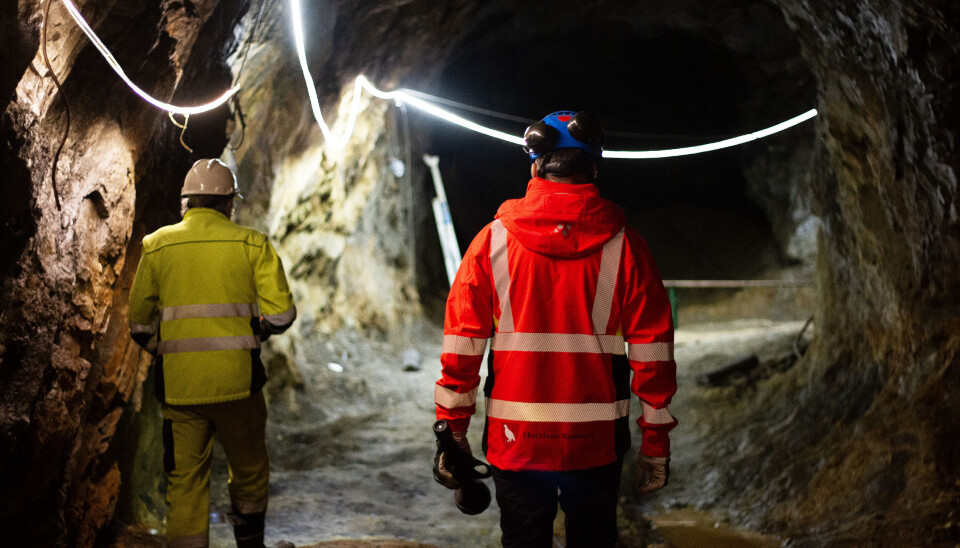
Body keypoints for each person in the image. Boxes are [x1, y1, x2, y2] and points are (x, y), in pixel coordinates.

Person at [433, 111, 677, 547]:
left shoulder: (492, 243)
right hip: (596, 441)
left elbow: (462, 347)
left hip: (516, 440)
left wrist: (452, 431)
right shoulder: (627, 247)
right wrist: (654, 441)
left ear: (534, 166)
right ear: (596, 167)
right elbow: (653, 351)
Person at [129, 159, 297, 548]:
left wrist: (170, 351)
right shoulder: (252, 244)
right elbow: (282, 314)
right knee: (250, 469)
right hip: (240, 386)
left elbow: (139, 327)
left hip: (180, 389)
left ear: (185, 203)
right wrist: (256, 332)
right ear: (228, 205)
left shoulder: (156, 246)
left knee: (185, 481)